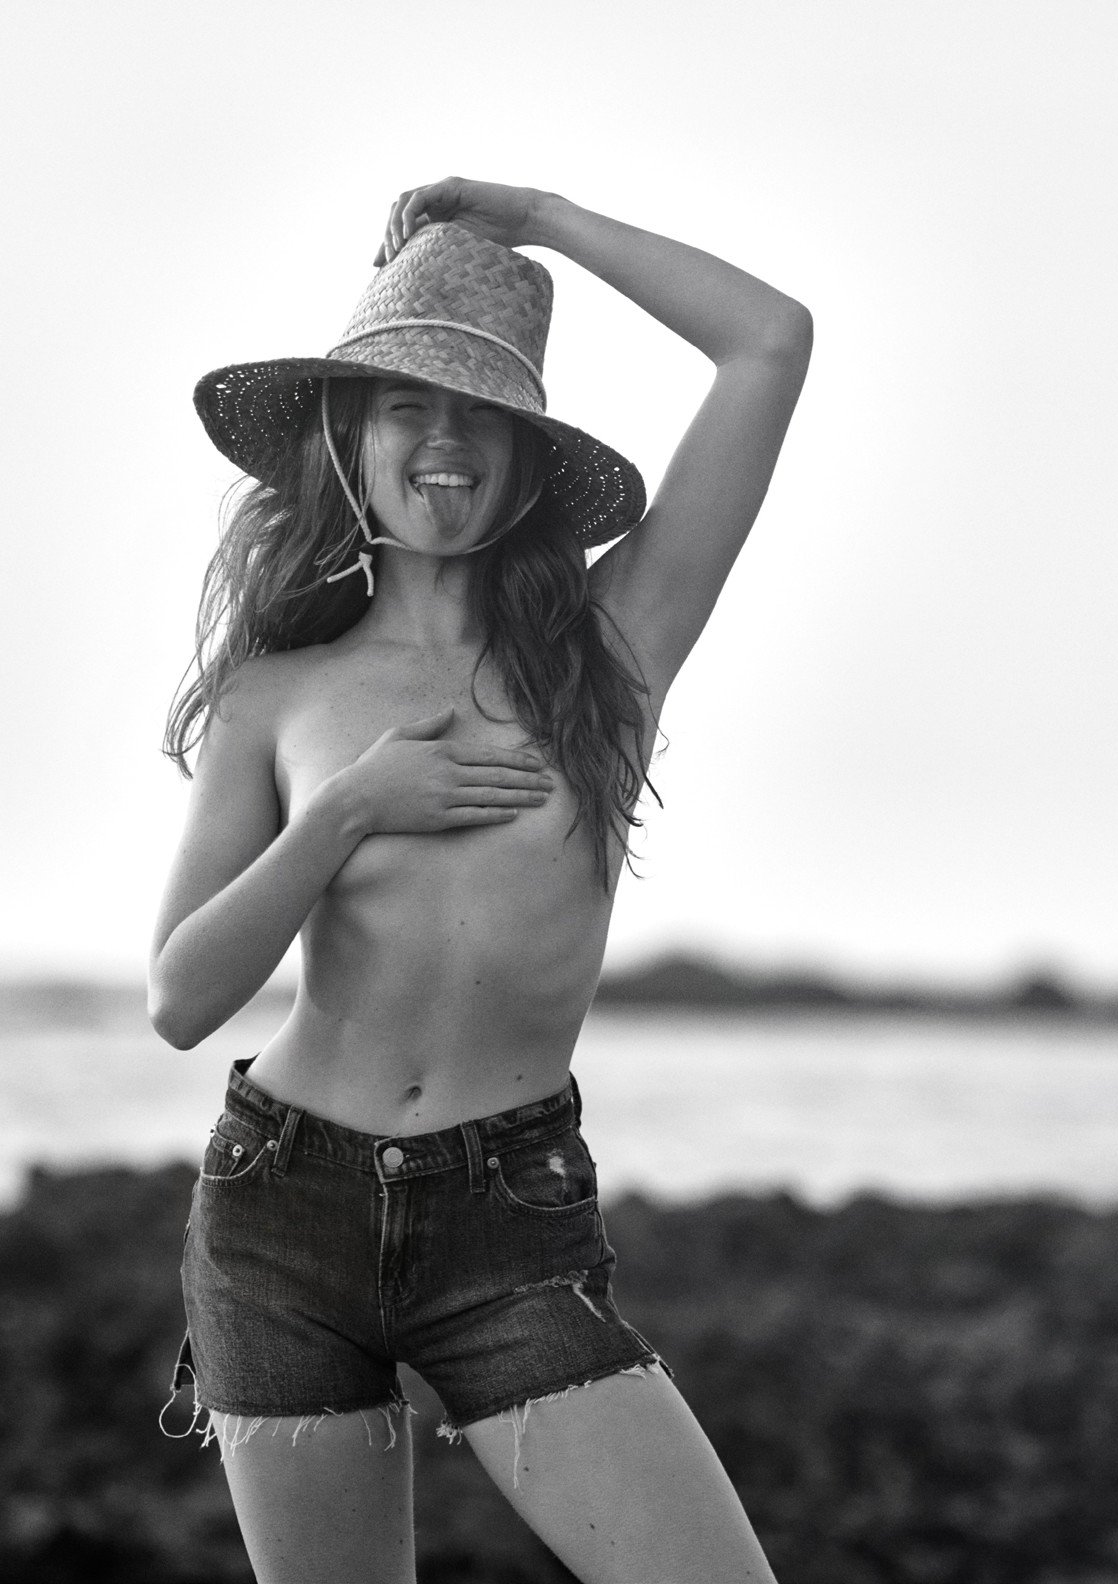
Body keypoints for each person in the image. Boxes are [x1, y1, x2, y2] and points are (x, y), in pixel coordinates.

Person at [151, 176, 811, 1584]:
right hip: (281, 1208)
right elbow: (180, 997)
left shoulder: (609, 654)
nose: (444, 441)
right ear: (350, 435)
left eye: (482, 415)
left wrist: (547, 217)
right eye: (408, 406)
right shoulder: (278, 694)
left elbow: (769, 340)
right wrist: (345, 813)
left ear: (525, 460)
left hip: (506, 1222)